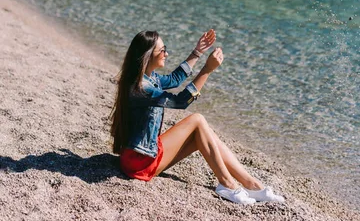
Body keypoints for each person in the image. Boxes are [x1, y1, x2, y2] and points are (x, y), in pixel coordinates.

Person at [110, 29, 285, 205]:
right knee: (197, 119)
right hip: (139, 163)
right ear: (148, 56)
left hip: (143, 154)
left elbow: (174, 80)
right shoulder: (142, 88)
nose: (166, 53)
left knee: (204, 134)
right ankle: (227, 184)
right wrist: (207, 70)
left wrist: (197, 52)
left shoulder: (148, 77)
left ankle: (252, 185)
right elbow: (180, 102)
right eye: (162, 50)